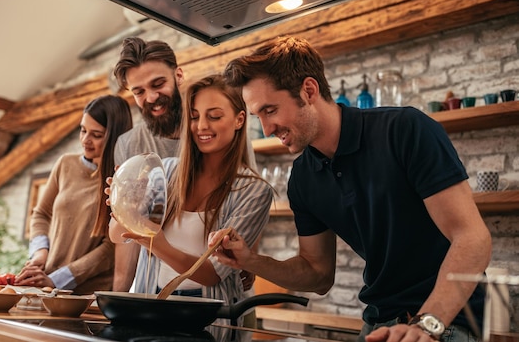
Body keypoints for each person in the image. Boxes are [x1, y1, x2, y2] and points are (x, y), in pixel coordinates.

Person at [210, 36, 492, 342]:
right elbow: (317, 274)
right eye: (258, 117)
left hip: (447, 319)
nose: (266, 129)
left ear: (308, 90)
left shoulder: (405, 130)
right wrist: (250, 260)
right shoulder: (303, 177)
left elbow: (473, 238)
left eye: (270, 110)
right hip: (379, 321)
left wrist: (426, 325)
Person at [109, 74, 273, 326]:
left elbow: (212, 274)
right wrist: (123, 203)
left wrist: (159, 245)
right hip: (148, 307)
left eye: (214, 116)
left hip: (206, 319)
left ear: (239, 119)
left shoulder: (253, 191)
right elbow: (118, 234)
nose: (201, 126)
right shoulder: (166, 170)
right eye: (195, 117)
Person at [15, 95, 133, 294]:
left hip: (88, 297)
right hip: (47, 286)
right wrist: (39, 255)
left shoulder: (123, 181)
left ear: (115, 137)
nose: (85, 140)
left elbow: (110, 248)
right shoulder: (65, 164)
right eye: (83, 130)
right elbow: (41, 214)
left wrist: (58, 280)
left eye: (96, 135)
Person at [111, 36, 185, 292]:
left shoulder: (210, 130)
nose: (152, 97)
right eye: (139, 91)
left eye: (158, 84)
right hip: (151, 286)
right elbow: (126, 235)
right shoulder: (128, 144)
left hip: (211, 285)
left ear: (178, 75)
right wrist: (117, 296)